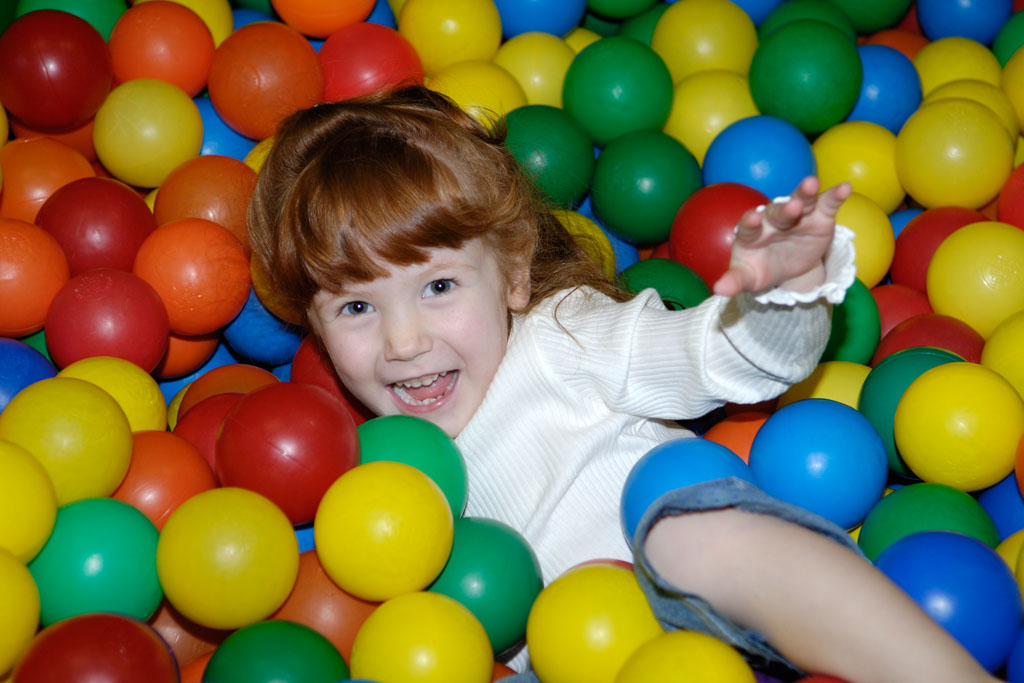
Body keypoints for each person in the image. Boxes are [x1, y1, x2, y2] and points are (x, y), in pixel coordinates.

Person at [247, 85, 998, 683]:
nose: (404, 341)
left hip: (694, 590)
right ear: (314, 326)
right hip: (573, 659)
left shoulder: (564, 338)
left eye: (439, 286)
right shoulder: (364, 472)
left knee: (691, 532)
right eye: (355, 307)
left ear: (512, 274)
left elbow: (714, 357)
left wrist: (781, 300)